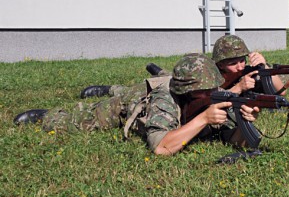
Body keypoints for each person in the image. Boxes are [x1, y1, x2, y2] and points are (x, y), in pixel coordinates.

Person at [13, 54, 261, 156]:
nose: (212, 97)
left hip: (163, 90)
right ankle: (46, 115)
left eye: (213, 91)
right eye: (204, 93)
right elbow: (161, 147)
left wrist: (244, 122)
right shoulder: (167, 99)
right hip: (129, 106)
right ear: (187, 93)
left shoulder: (215, 97)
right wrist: (203, 119)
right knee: (86, 116)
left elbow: (236, 140)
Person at [79, 35, 283, 99]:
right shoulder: (207, 72)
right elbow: (208, 98)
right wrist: (238, 89)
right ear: (219, 64)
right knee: (152, 87)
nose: (240, 66)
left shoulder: (250, 70)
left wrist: (265, 68)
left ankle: (159, 69)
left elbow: (280, 90)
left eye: (242, 60)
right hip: (179, 88)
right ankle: (110, 89)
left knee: (164, 75)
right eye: (233, 63)